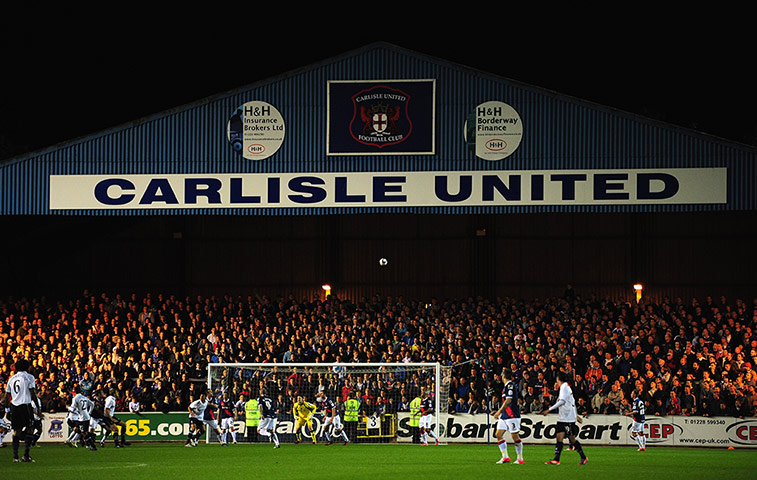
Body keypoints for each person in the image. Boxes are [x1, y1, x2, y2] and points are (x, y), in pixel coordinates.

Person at [542, 371, 588, 465]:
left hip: (568, 418)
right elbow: (572, 402)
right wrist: (576, 415)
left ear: (559, 379)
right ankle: (556, 459)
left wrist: (549, 409)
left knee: (572, 439)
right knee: (559, 437)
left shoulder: (564, 388)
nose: (556, 381)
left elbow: (562, 401)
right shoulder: (566, 387)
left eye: (557, 380)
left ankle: (583, 457)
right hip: (563, 417)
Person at [2, 359, 39, 462]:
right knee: (30, 429)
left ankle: (15, 457)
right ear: (26, 367)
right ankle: (26, 456)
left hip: (14, 406)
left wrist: (7, 409)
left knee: (16, 431)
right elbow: (32, 393)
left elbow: (6, 396)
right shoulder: (29, 377)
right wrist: (38, 408)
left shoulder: (11, 378)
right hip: (25, 406)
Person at [493, 368, 524, 464]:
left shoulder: (510, 385)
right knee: (498, 435)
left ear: (504, 376)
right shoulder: (506, 386)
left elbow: (508, 400)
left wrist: (499, 411)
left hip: (512, 415)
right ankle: (505, 457)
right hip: (505, 416)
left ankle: (520, 458)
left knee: (515, 436)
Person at [71, 385, 98, 451]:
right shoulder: (84, 397)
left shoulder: (75, 398)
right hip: (85, 416)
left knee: (83, 432)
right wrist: (89, 412)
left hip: (82, 418)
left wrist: (68, 408)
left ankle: (92, 445)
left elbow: (72, 408)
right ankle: (86, 440)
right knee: (76, 429)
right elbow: (92, 404)